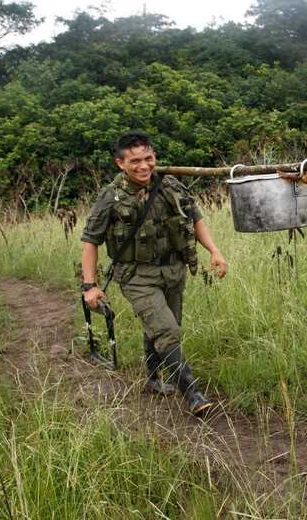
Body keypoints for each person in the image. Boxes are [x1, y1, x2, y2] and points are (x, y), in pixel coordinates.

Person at [80, 130, 227, 417]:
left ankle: (152, 378)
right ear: (120, 163)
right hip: (137, 276)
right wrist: (90, 286)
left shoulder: (169, 184)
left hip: (173, 270)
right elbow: (90, 241)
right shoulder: (111, 197)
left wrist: (215, 251)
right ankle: (192, 393)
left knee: (163, 325)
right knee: (167, 330)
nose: (144, 166)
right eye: (135, 161)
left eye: (148, 158)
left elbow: (195, 218)